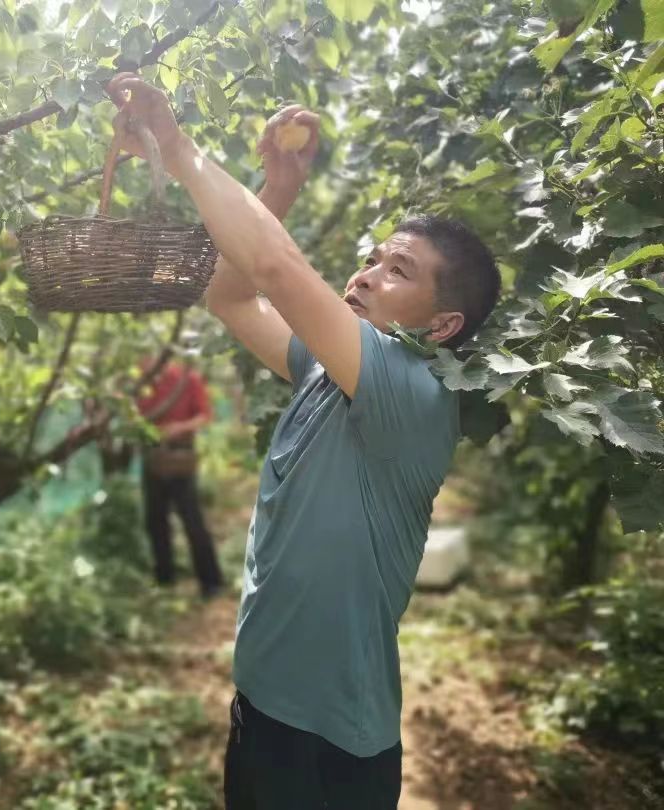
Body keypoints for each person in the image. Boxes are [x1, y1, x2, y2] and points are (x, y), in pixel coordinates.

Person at [105, 74, 501, 809]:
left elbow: (276, 268)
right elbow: (229, 295)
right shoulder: (326, 370)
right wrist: (279, 185)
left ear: (441, 327)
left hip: (328, 744)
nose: (368, 273)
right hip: (263, 705)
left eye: (399, 271)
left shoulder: (411, 393)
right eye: (375, 257)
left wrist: (175, 143)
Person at [135, 355, 224, 599]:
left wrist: (179, 428)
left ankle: (211, 583)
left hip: (181, 457)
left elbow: (205, 415)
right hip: (154, 457)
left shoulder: (187, 379)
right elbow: (136, 417)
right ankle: (164, 580)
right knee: (155, 520)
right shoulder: (141, 384)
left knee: (192, 520)